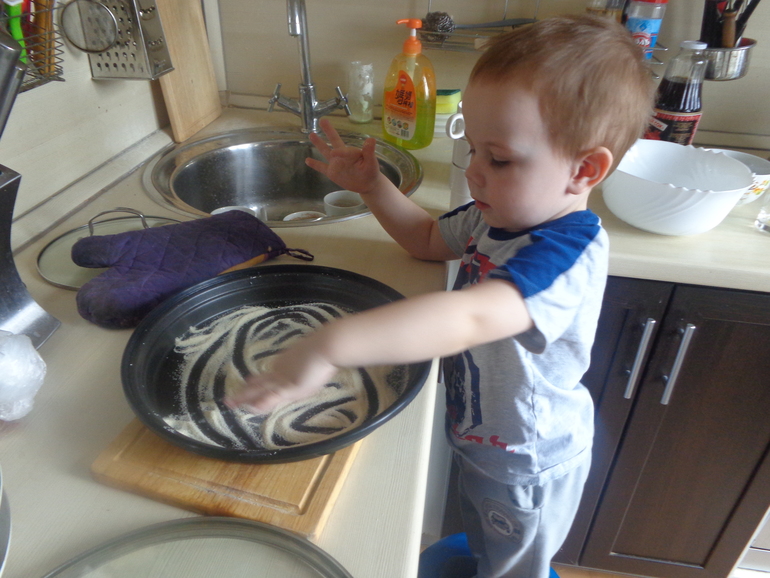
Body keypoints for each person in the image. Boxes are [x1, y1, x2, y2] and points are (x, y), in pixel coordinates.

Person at [226, 14, 654, 578]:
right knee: (483, 545)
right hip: (481, 442)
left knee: (513, 568)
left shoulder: (566, 256)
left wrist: (331, 345)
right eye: (472, 148)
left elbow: (474, 316)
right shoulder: (493, 216)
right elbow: (427, 239)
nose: (474, 172)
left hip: (527, 465)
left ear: (584, 169)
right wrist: (374, 186)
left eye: (499, 158)